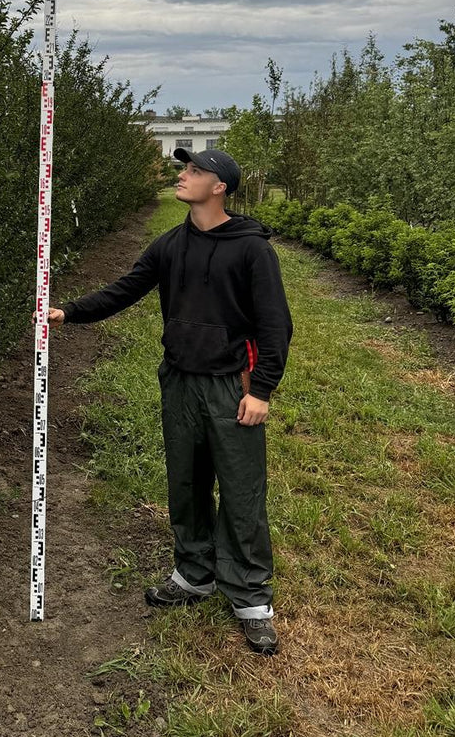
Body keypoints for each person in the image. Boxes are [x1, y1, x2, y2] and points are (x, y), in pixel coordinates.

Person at [50, 148, 293, 655]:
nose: (182, 176)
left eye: (194, 171)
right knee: (185, 481)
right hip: (179, 381)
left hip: (233, 384)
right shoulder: (170, 245)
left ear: (219, 186)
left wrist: (262, 391)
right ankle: (194, 573)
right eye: (185, 169)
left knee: (241, 488)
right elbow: (125, 289)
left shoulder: (252, 250)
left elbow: (275, 325)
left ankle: (250, 598)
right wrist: (67, 313)